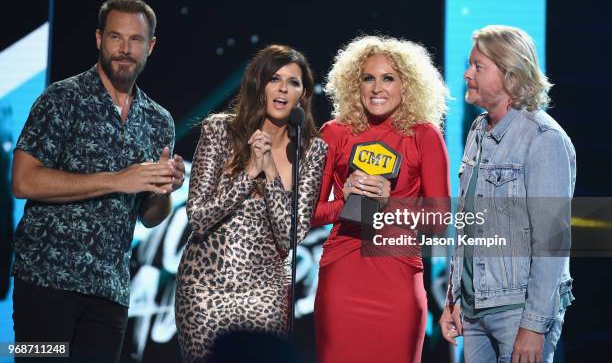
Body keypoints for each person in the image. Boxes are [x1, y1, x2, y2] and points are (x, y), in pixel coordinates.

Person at [11, 0, 184, 363]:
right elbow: (24, 181)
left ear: (150, 46)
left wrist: (164, 188)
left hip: (111, 293)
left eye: (135, 40)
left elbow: (150, 216)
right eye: (115, 37)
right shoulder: (60, 98)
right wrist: (118, 180)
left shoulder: (158, 121)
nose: (124, 49)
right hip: (45, 283)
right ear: (98, 39)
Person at [175, 45, 327, 362]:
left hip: (267, 293)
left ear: (303, 94)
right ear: (259, 83)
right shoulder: (219, 130)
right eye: (275, 78)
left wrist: (269, 168)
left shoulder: (312, 150)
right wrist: (248, 174)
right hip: (206, 288)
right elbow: (199, 217)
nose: (284, 88)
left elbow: (290, 235)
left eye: (294, 82)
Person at [439, 25, 576, 363]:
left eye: (478, 66)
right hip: (473, 309)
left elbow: (552, 241)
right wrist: (453, 299)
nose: (467, 74)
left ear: (509, 74)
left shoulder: (543, 139)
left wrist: (534, 325)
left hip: (516, 313)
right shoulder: (477, 130)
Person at [313, 35, 451, 363]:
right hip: (342, 279)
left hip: (398, 281)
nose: (377, 87)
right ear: (354, 84)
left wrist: (392, 205)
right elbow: (309, 214)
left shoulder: (425, 135)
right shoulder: (333, 133)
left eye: (388, 78)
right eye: (368, 78)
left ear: (407, 86)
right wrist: (344, 200)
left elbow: (439, 223)